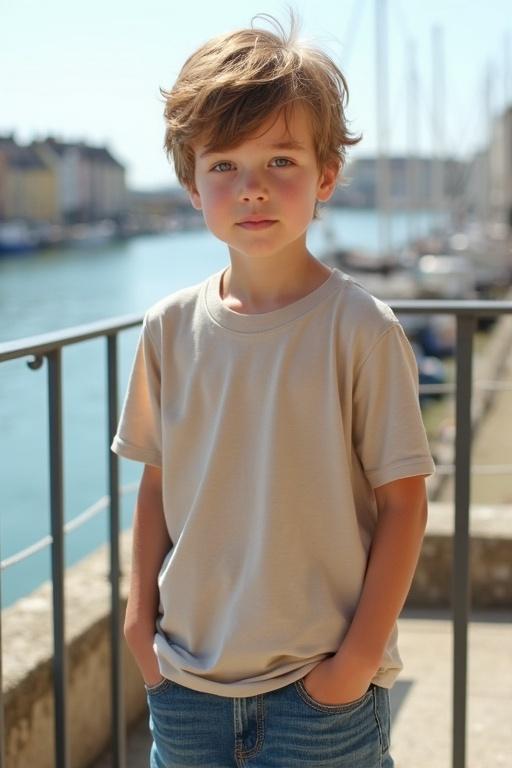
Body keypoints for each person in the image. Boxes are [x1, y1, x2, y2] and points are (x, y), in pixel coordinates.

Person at [111, 12, 435, 767]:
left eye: (281, 161)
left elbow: (404, 504)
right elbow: (158, 482)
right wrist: (137, 624)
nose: (252, 188)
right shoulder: (167, 328)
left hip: (318, 696)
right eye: (223, 164)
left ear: (325, 176)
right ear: (193, 183)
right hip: (186, 683)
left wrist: (351, 667)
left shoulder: (362, 328)